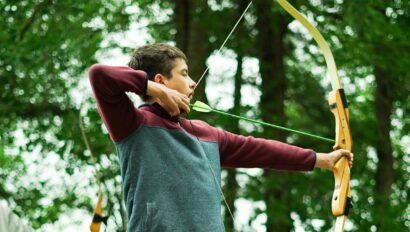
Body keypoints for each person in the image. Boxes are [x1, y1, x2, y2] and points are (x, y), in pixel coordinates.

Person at [88, 43, 353, 232]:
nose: (192, 83)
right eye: (183, 74)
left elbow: (261, 150)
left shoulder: (205, 134)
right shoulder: (133, 125)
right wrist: (152, 89)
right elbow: (99, 75)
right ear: (161, 80)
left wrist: (324, 160)